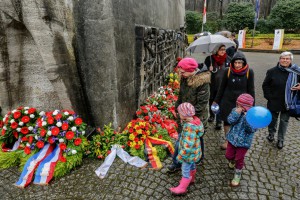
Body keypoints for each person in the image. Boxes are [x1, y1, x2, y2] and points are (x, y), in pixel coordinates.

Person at [168, 57, 210, 172]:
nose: (181, 74)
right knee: (180, 139)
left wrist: (188, 116)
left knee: (198, 138)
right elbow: (181, 95)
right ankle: (177, 163)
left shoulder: (202, 82)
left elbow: (202, 104)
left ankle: (199, 157)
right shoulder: (184, 78)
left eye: (183, 72)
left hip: (196, 117)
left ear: (191, 70)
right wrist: (177, 108)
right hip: (184, 115)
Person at [213, 51, 255, 150]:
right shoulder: (227, 71)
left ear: (243, 63)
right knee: (227, 121)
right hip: (227, 101)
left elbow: (251, 90)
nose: (237, 65)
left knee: (239, 122)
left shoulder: (250, 72)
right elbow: (221, 88)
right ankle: (228, 141)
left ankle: (237, 141)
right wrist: (216, 101)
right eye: (235, 63)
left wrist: (252, 107)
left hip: (242, 104)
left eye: (239, 63)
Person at [262, 52, 300, 149]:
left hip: (288, 102)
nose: (285, 60)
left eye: (287, 59)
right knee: (272, 119)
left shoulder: (296, 72)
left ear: (291, 60)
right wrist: (269, 97)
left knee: (284, 121)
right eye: (283, 58)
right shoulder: (272, 71)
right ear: (279, 59)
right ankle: (271, 133)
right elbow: (265, 85)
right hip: (274, 100)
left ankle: (280, 139)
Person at [169, 102, 204, 195]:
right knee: (192, 165)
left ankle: (182, 188)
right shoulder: (195, 122)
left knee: (185, 169)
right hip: (194, 153)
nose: (178, 114)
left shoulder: (190, 127)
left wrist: (181, 156)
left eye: (179, 113)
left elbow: (188, 145)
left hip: (188, 154)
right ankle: (191, 179)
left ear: (184, 115)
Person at [225, 93, 256, 187]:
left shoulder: (253, 116)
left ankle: (237, 174)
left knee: (239, 158)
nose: (238, 107)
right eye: (237, 105)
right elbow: (230, 121)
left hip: (244, 143)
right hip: (232, 139)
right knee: (228, 155)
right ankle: (232, 160)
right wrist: (236, 113)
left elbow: (251, 129)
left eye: (240, 106)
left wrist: (247, 118)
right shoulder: (235, 111)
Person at [204, 44, 231, 130]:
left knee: (220, 102)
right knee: (212, 101)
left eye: (224, 49)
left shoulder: (228, 59)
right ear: (216, 50)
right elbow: (203, 70)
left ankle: (219, 121)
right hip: (212, 85)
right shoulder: (210, 59)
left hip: (223, 86)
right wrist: (209, 69)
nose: (223, 51)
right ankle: (212, 115)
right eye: (221, 49)